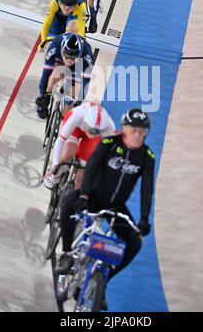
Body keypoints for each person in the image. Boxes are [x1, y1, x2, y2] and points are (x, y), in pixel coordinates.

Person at [55, 108, 155, 305]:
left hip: (116, 205)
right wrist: (83, 195)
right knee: (67, 203)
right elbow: (91, 168)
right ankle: (66, 254)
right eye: (134, 130)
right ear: (124, 129)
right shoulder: (109, 143)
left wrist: (144, 218)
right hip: (93, 195)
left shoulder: (147, 156)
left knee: (135, 243)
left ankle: (102, 282)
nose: (138, 135)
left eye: (142, 131)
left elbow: (146, 189)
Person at [43, 102, 116, 189]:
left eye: (95, 132)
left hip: (95, 137)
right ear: (86, 121)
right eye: (89, 129)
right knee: (68, 151)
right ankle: (55, 176)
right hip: (76, 127)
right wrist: (56, 164)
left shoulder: (109, 128)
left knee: (82, 170)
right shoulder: (76, 116)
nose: (91, 133)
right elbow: (60, 141)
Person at [35, 33, 93, 119]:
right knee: (54, 75)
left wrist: (78, 102)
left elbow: (86, 82)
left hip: (78, 64)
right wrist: (42, 95)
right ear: (62, 51)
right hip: (59, 59)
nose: (69, 61)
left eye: (72, 58)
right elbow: (46, 73)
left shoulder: (86, 54)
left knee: (69, 105)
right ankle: (47, 99)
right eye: (67, 57)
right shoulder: (55, 46)